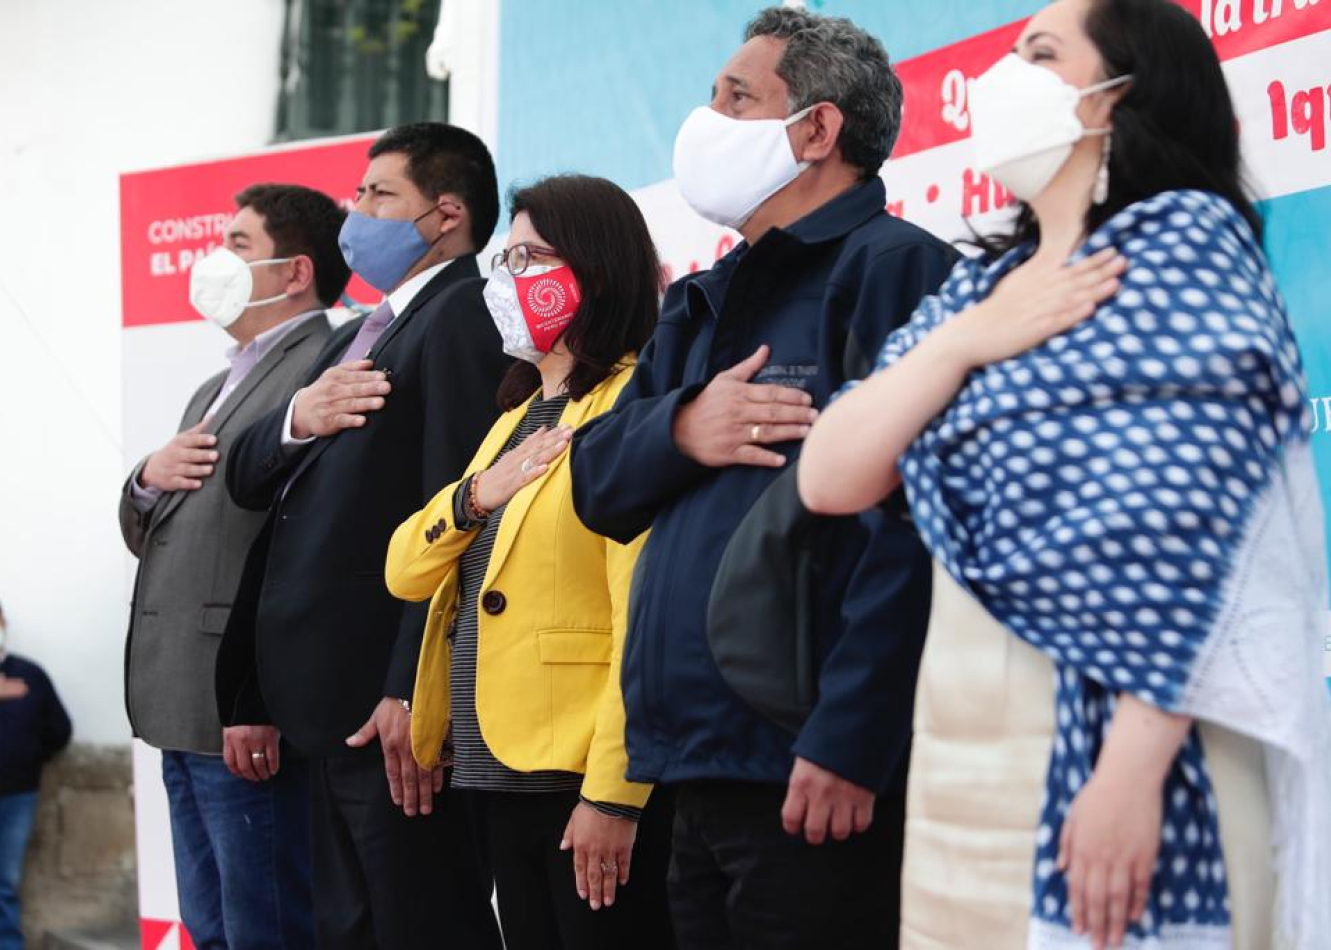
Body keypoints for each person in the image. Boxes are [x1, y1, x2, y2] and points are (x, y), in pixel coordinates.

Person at [798, 2, 1331, 949]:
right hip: (962, 747)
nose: (1007, 78)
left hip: (1139, 743)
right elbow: (829, 476)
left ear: (1119, 97)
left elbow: (1193, 525)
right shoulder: (973, 292)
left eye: (1040, 54)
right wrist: (970, 339)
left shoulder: (1182, 246)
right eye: (1008, 53)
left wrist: (1131, 771)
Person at [569, 9, 955, 948]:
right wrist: (684, 427)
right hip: (690, 760)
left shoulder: (900, 272)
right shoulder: (700, 298)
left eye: (737, 98)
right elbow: (599, 486)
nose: (706, 120)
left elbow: (912, 531)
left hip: (810, 765)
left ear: (818, 130)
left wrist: (850, 736)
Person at [216, 123, 509, 949]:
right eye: (360, 193)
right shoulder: (354, 332)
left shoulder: (464, 318)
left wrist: (415, 692)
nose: (358, 212)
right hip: (321, 703)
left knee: (419, 922)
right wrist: (297, 420)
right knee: (349, 928)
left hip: (386, 705)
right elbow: (246, 478)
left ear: (445, 213)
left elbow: (457, 511)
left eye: (380, 195)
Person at [385, 174, 675, 950]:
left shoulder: (628, 406)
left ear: (597, 269)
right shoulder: (513, 418)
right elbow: (405, 569)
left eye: (532, 257)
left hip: (578, 778)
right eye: (505, 261)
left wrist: (614, 796)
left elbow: (641, 620)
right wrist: (478, 493)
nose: (510, 281)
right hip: (492, 770)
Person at [119, 183, 345, 950]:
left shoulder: (328, 362)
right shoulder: (213, 387)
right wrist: (147, 477)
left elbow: (308, 540)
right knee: (211, 928)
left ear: (294, 272)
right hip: (176, 699)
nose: (216, 259)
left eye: (239, 244)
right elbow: (154, 525)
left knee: (269, 928)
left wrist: (263, 694)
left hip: (243, 701)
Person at [0, 603, 70, 950]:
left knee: (5, 880)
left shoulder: (29, 674)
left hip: (17, 793)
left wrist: (28, 760)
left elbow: (58, 729)